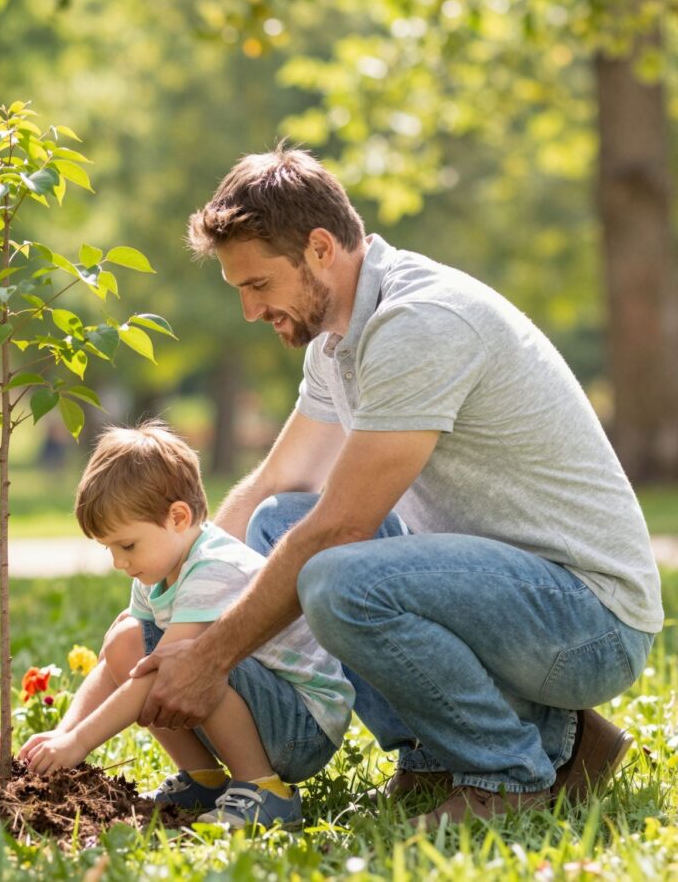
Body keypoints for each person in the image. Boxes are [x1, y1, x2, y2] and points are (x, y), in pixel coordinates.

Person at [132, 146, 661, 825]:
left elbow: (341, 529)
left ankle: (507, 773)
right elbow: (281, 478)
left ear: (320, 248)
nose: (248, 310)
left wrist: (210, 655)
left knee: (336, 576)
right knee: (275, 519)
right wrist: (161, 595)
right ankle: (446, 754)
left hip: (589, 619)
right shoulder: (337, 340)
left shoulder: (421, 323)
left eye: (258, 285)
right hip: (506, 594)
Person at [19, 421, 354, 829]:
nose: (118, 562)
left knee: (187, 663)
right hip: (265, 712)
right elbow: (119, 662)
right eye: (110, 549)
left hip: (301, 727)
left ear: (178, 517)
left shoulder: (213, 568)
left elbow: (172, 672)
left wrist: (80, 743)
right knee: (125, 640)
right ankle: (204, 780)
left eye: (127, 545)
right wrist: (64, 732)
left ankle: (265, 790)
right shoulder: (158, 570)